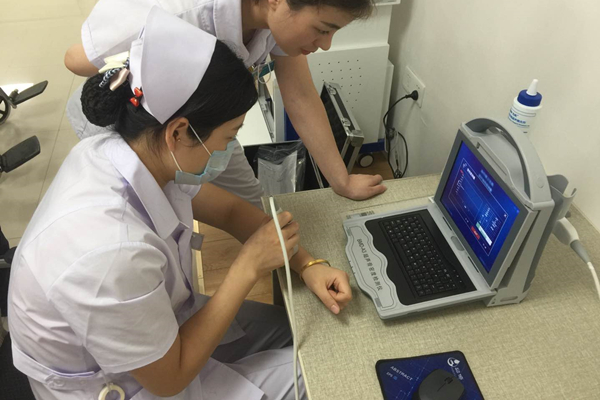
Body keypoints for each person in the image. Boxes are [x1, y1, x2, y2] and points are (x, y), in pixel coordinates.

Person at [8, 8, 351, 400]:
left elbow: (230, 211)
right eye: (229, 137)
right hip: (132, 382)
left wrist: (308, 265)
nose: (228, 150)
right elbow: (169, 380)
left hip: (159, 329)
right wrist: (247, 266)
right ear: (179, 132)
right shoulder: (110, 253)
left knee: (295, 325)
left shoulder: (137, 154)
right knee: (324, 369)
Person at [63, 0, 387, 209]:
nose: (326, 45)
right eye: (322, 30)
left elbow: (300, 95)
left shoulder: (271, 22)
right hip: (133, 124)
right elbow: (76, 60)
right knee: (156, 210)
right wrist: (159, 55)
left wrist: (341, 180)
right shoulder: (184, 12)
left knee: (250, 206)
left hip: (206, 124)